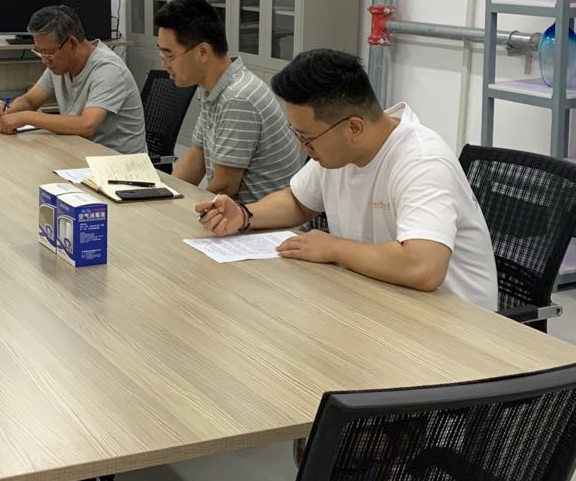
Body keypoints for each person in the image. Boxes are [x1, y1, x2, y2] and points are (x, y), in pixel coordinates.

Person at [195, 49, 499, 309]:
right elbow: (298, 201)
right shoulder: (338, 153)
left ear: (354, 127)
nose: (303, 147)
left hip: (457, 327)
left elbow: (423, 267)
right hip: (383, 301)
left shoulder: (421, 162)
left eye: (308, 138)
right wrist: (245, 215)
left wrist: (333, 248)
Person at [155, 0, 303, 204]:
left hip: (258, 219)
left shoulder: (238, 98)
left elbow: (225, 187)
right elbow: (195, 161)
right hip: (235, 214)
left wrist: (180, 212)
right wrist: (163, 198)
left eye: (169, 56)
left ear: (203, 52)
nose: (164, 64)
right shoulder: (214, 88)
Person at [0, 4, 146, 154]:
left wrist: (27, 117)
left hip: (117, 163)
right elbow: (30, 100)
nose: (44, 60)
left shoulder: (108, 69)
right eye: (39, 52)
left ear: (72, 43)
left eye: (48, 52)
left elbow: (87, 125)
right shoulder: (60, 65)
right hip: (80, 152)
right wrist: (11, 110)